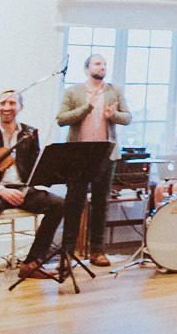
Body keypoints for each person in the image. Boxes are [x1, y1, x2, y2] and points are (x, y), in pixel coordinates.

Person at [0, 90, 65, 292]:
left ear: (20, 107)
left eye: (12, 103)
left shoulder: (30, 133)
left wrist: (34, 185)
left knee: (59, 204)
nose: (7, 107)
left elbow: (37, 168)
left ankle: (31, 262)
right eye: (3, 103)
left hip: (21, 189)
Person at [57, 54, 131, 267]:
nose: (103, 67)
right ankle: (67, 253)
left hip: (105, 154)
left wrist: (113, 115)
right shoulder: (73, 92)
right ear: (87, 67)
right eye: (98, 63)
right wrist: (86, 108)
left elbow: (127, 117)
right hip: (78, 155)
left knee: (101, 203)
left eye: (105, 63)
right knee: (74, 203)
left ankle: (97, 251)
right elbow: (61, 119)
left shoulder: (114, 91)